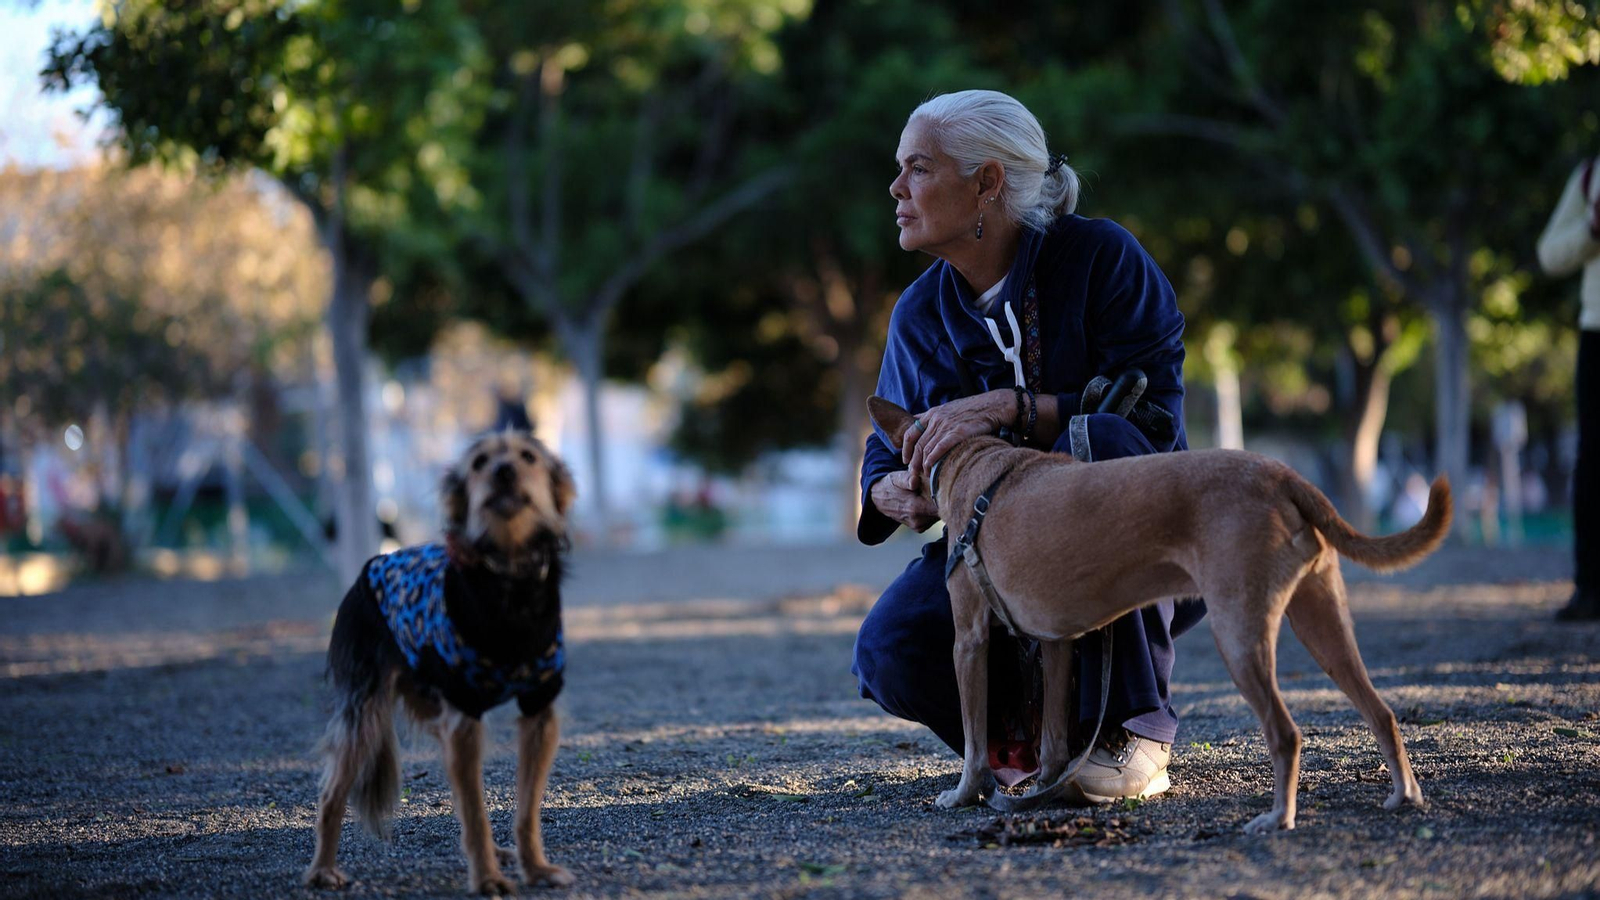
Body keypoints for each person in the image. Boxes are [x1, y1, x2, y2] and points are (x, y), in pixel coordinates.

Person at [852, 90, 1207, 802]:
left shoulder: (1102, 258)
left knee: (1104, 439)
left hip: (1137, 544)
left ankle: (1133, 735)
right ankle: (1022, 750)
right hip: (999, 554)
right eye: (899, 169)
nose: (896, 189)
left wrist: (1011, 408)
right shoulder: (920, 311)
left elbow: (1156, 434)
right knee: (888, 647)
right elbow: (889, 446)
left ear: (986, 183)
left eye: (918, 169)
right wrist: (886, 490)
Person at [1536, 152, 1600, 621]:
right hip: (1597, 331)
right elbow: (1549, 252)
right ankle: (1590, 586)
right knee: (1593, 458)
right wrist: (1591, 231)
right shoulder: (1589, 175)